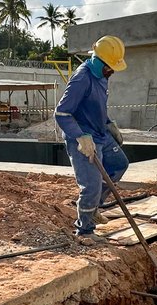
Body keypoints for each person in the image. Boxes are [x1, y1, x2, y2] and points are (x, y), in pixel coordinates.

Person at [55, 36, 130, 241]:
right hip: (82, 138)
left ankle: (94, 207)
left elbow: (96, 106)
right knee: (92, 185)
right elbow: (61, 113)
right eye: (110, 67)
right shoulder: (82, 78)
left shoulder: (102, 76)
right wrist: (80, 137)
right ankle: (85, 231)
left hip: (100, 133)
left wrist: (109, 123)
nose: (112, 71)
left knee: (119, 165)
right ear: (99, 61)